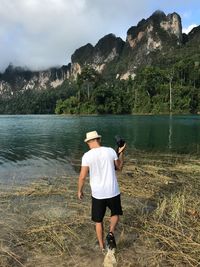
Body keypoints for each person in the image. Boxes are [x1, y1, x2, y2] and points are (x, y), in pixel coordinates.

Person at [78, 130, 126, 253]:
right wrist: (121, 152)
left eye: (87, 142)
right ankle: (110, 233)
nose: (87, 144)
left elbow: (82, 176)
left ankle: (102, 247)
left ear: (90, 141)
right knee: (115, 213)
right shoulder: (110, 151)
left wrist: (80, 190)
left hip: (98, 194)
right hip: (113, 191)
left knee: (98, 221)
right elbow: (119, 167)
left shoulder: (87, 156)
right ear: (98, 139)